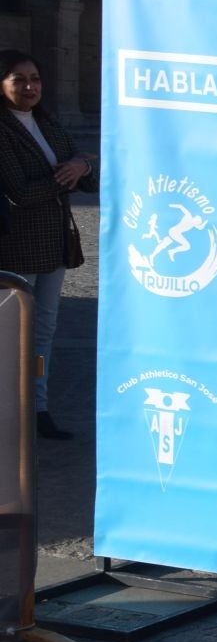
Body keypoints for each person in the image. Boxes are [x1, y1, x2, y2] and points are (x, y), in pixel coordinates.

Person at [0, 50, 97, 440]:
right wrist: (72, 170)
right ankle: (10, 412)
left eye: (34, 78)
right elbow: (19, 192)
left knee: (44, 331)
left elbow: (88, 177)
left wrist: (83, 166)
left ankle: (37, 410)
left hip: (55, 244)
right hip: (16, 245)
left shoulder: (47, 122)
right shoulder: (4, 128)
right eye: (18, 79)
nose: (29, 87)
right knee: (10, 332)